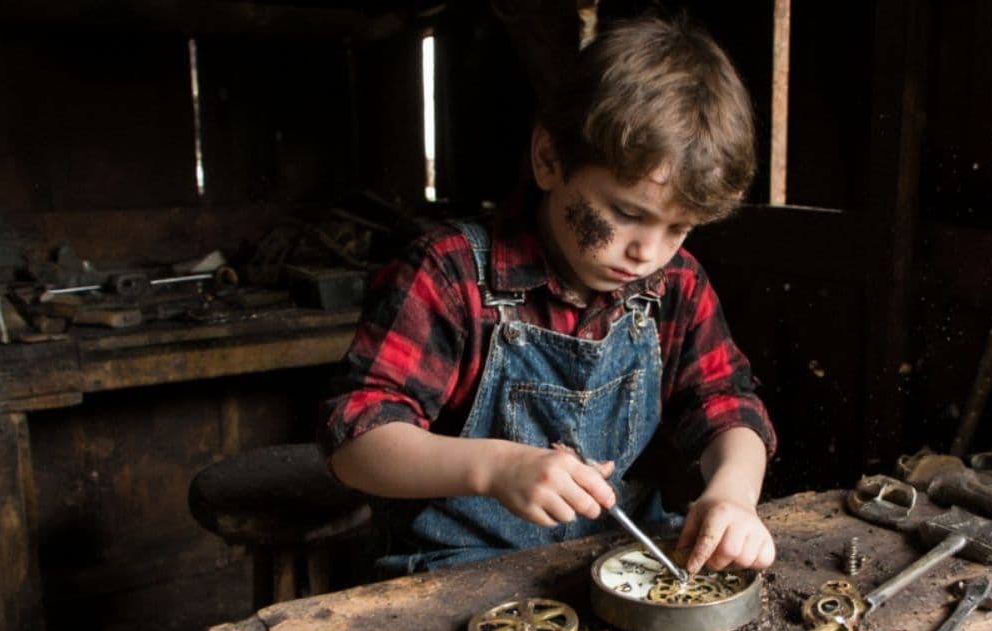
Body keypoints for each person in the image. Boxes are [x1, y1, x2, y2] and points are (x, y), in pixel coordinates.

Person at [320, 13, 777, 577]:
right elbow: (356, 441)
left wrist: (733, 494)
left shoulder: (675, 284)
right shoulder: (450, 272)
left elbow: (727, 404)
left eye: (678, 228)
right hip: (458, 562)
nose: (647, 253)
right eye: (627, 214)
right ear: (549, 160)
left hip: (610, 548)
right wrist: (495, 468)